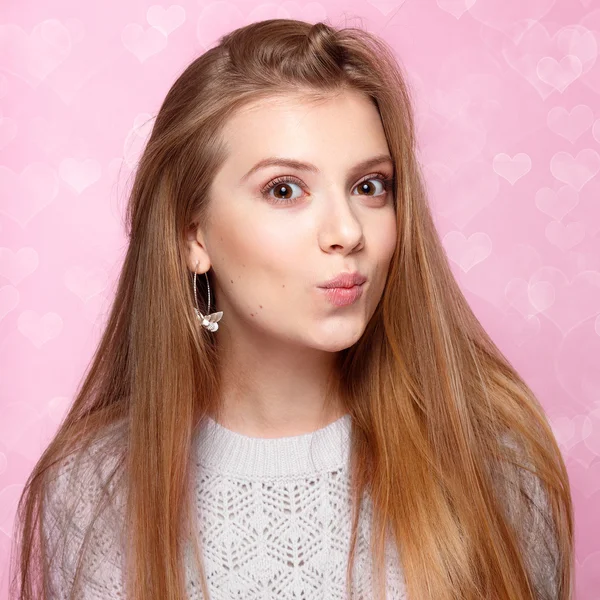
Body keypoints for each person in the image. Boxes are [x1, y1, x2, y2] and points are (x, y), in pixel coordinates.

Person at [9, 17, 574, 600]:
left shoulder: (491, 466)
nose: (346, 231)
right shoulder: (92, 492)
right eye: (285, 189)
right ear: (192, 236)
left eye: (369, 186)